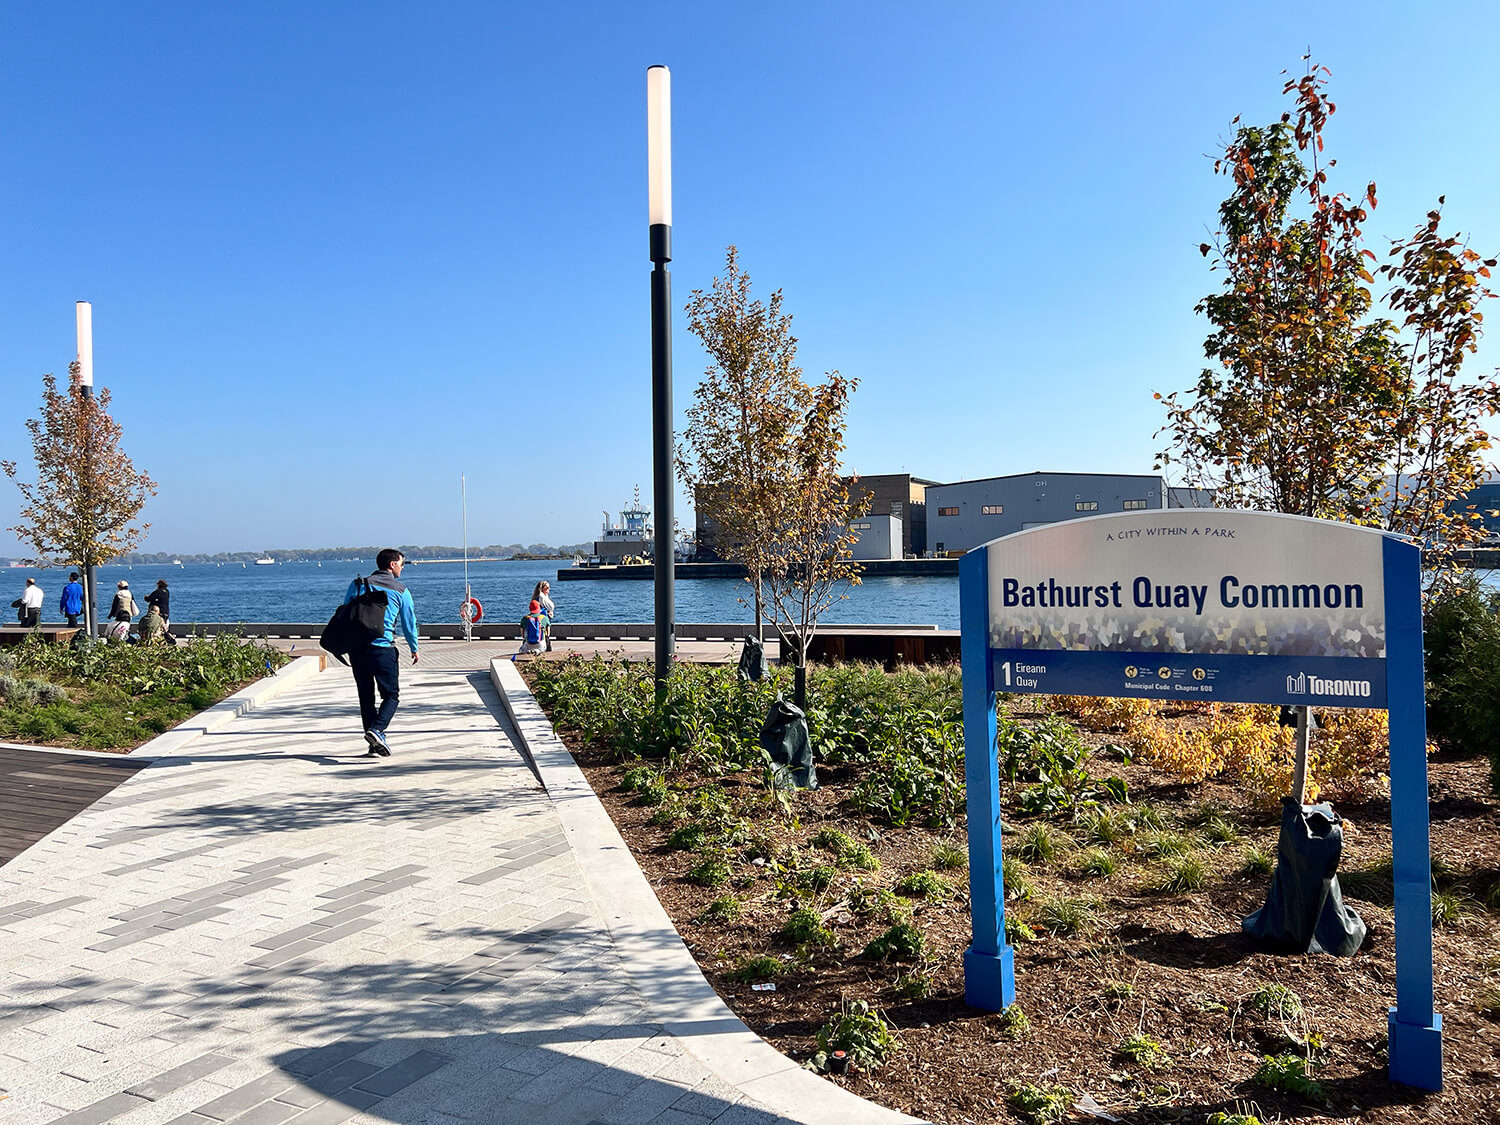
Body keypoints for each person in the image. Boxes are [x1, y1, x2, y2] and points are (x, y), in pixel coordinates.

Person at [344, 549, 419, 757]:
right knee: (391, 695)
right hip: (383, 648)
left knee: (366, 697)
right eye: (401, 563)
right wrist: (414, 647)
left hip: (357, 649)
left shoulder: (358, 583)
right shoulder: (401, 590)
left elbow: (344, 611)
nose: (403, 567)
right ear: (392, 564)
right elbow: (409, 622)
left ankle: (373, 745)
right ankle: (377, 731)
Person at [531, 580, 556, 650]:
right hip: (543, 618)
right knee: (546, 635)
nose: (549, 589)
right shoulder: (541, 596)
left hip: (537, 618)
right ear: (542, 588)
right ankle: (547, 649)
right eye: (547, 587)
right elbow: (551, 606)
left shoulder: (537, 596)